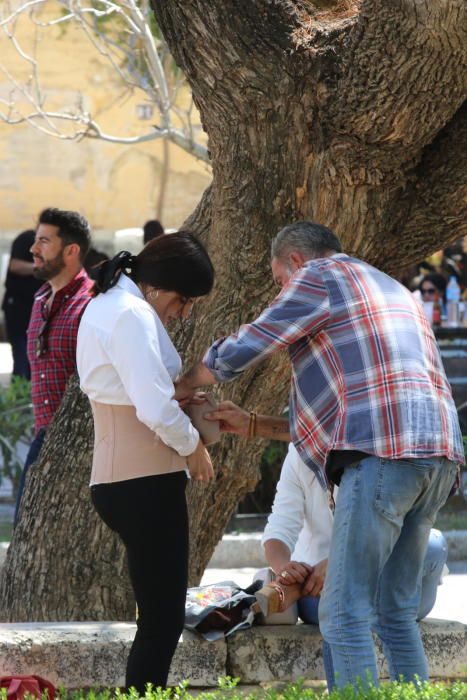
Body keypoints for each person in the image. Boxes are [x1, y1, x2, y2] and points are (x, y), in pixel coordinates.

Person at [176, 221, 463, 688]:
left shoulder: (319, 275)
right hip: (436, 455)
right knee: (395, 614)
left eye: (278, 282)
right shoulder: (388, 287)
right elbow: (351, 414)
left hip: (383, 456)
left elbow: (256, 337)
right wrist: (252, 424)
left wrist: (185, 383)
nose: (282, 293)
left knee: (343, 613)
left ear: (294, 261)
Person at [76, 231, 215, 693]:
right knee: (161, 621)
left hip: (126, 479)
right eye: (183, 300)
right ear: (157, 285)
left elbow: (137, 390)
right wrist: (192, 446)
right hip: (144, 482)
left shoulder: (112, 305)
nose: (183, 312)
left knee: (158, 618)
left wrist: (176, 396)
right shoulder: (130, 314)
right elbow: (154, 410)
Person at [14, 208, 93, 525]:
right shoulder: (39, 299)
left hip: (82, 446)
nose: (34, 249)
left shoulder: (91, 303)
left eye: (44, 241)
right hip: (43, 439)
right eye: (36, 240)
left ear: (71, 250)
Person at [2, 229, 42, 379]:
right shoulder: (26, 239)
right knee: (21, 356)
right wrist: (40, 268)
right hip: (18, 307)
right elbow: (14, 265)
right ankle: (20, 396)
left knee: (34, 357)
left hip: (36, 308)